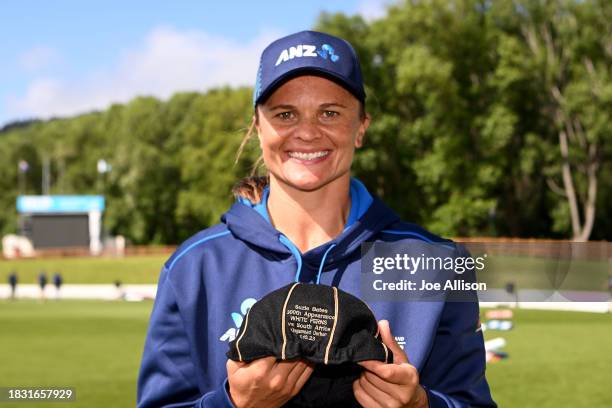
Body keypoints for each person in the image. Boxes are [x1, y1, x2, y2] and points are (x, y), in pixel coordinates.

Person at [137, 30, 496, 408]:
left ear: (361, 128)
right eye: (285, 114)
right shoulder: (195, 267)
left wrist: (422, 406)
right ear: (259, 128)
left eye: (330, 112)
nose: (307, 132)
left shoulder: (434, 264)